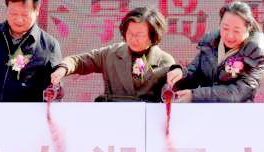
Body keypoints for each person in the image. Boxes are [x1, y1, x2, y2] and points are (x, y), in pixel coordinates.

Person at [50, 6, 184, 102]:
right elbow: (78, 61)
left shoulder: (165, 61)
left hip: (148, 122)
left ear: (152, 36)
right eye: (129, 33)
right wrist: (63, 69)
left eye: (139, 35)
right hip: (112, 117)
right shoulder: (111, 54)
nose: (133, 39)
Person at [173, 1, 264, 103]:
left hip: (238, 110)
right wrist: (179, 74)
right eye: (225, 28)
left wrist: (195, 95)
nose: (230, 36)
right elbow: (194, 73)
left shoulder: (255, 51)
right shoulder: (210, 42)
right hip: (206, 108)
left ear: (247, 29)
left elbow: (239, 92)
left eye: (236, 31)